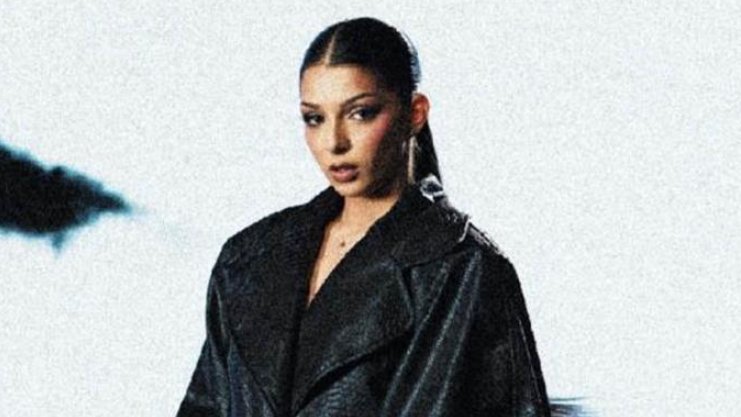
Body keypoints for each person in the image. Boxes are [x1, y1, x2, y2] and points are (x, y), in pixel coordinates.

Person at [176, 17, 550, 417]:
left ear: (415, 112)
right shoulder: (247, 259)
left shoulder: (464, 269)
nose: (334, 142)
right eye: (314, 118)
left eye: (360, 113)